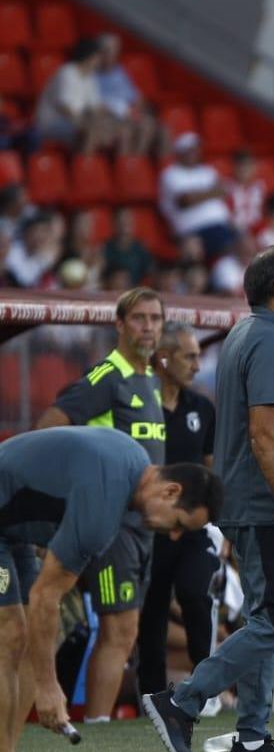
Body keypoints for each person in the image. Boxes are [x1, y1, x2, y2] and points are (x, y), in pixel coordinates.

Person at [142, 246, 274, 752]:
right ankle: (184, 701)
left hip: (254, 503)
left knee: (265, 617)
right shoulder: (268, 339)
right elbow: (266, 434)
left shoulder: (251, 334)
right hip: (267, 508)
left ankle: (251, 739)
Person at [1, 429, 219, 752]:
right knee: (12, 632)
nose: (173, 535)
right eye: (180, 524)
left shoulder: (131, 461)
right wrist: (49, 689)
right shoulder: (106, 504)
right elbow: (46, 597)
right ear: (169, 492)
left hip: (13, 533)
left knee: (24, 639)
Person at [35, 287, 167, 721]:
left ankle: (95, 721)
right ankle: (96, 725)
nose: (148, 327)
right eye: (139, 318)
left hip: (140, 524)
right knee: (118, 627)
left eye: (155, 318)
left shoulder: (148, 379)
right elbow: (51, 424)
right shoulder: (105, 376)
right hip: (112, 525)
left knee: (122, 631)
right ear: (119, 325)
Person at [135, 323, 222, 701]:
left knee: (194, 592)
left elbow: (211, 469)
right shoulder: (138, 405)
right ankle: (151, 697)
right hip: (150, 527)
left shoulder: (201, 408)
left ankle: (205, 688)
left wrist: (222, 527)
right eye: (190, 356)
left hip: (191, 528)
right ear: (164, 358)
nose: (197, 365)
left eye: (198, 356)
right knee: (150, 611)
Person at [159, 133, 237, 259]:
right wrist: (212, 192)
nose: (194, 153)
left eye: (196, 149)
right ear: (180, 152)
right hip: (193, 230)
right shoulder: (171, 174)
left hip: (221, 224)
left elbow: (223, 191)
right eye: (189, 150)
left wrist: (200, 195)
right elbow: (185, 200)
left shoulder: (207, 170)